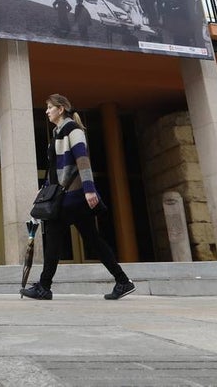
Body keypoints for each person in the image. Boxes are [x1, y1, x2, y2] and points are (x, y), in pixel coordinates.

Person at [21, 94, 135, 301]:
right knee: (93, 239)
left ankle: (44, 286)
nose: (46, 111)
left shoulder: (72, 130)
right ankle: (123, 281)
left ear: (61, 109)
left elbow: (82, 160)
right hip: (68, 196)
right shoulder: (57, 133)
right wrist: (44, 188)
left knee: (54, 237)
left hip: (73, 196)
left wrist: (90, 189)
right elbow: (56, 169)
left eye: (49, 107)